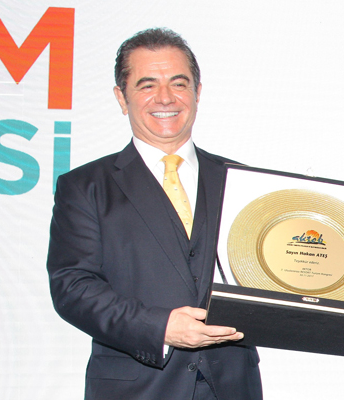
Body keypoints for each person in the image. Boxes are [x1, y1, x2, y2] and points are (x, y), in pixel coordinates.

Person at [46, 28, 262, 400]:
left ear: (197, 92)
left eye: (179, 83)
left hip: (233, 386)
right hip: (137, 388)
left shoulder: (242, 180)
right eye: (147, 85)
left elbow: (269, 273)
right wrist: (160, 327)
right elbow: (73, 287)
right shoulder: (85, 186)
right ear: (121, 97)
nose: (165, 97)